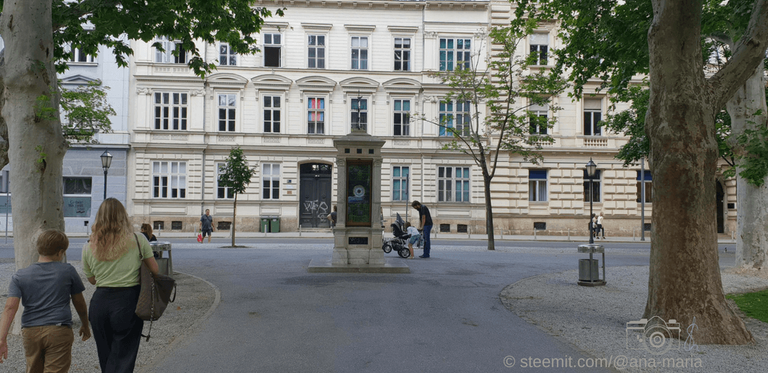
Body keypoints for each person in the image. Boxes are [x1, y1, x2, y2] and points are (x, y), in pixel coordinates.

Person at [83, 198, 159, 373]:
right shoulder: (138, 239)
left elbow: (92, 280)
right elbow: (155, 270)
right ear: (123, 216)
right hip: (128, 301)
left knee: (106, 355)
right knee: (124, 356)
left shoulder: (89, 245)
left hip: (99, 303)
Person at [0, 230, 90, 372]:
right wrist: (85, 324)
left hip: (30, 331)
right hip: (59, 329)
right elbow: (79, 302)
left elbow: (10, 308)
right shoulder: (68, 271)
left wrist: (2, 338)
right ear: (60, 252)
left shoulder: (20, 276)